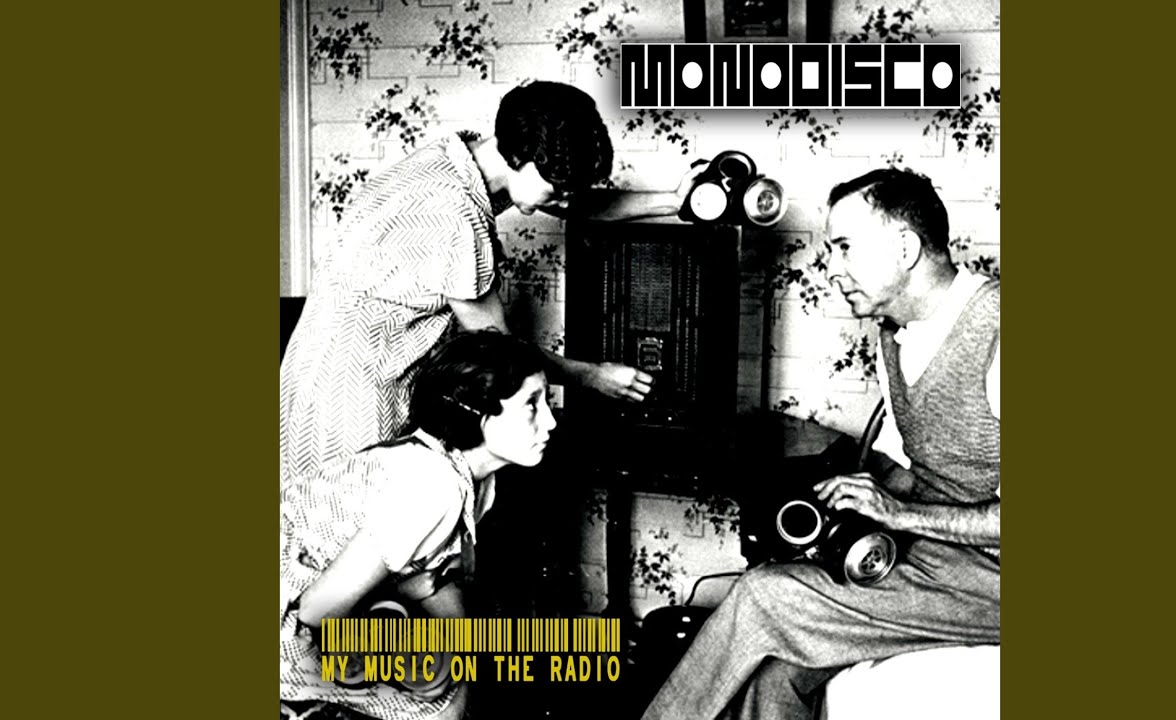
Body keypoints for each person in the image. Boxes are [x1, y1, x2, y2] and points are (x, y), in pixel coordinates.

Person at [641, 168, 1000, 720]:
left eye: (845, 247)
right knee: (775, 671)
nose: (831, 268)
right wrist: (848, 500)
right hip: (938, 559)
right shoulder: (893, 332)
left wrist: (900, 514)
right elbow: (918, 465)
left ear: (905, 249)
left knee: (765, 595)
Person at [280, 80, 699, 487]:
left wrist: (675, 202)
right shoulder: (455, 217)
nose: (564, 201)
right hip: (356, 398)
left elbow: (574, 202)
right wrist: (591, 376)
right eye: (557, 190)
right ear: (519, 157)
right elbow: (502, 352)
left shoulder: (458, 158)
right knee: (356, 520)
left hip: (309, 371)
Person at [280, 330, 555, 720]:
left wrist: (458, 654)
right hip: (287, 623)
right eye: (531, 404)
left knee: (452, 680)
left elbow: (439, 578)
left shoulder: (471, 478)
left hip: (313, 607)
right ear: (475, 412)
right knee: (441, 708)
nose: (551, 421)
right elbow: (316, 611)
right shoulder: (432, 485)